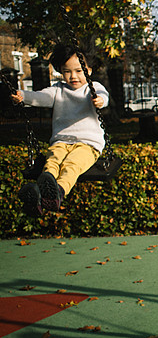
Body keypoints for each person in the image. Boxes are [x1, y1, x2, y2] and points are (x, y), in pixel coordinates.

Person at [11, 44, 109, 215]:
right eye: (67, 71)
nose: (73, 76)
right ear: (61, 72)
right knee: (52, 163)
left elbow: (104, 96)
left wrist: (99, 100)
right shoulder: (58, 89)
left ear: (89, 70)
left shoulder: (93, 87)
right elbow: (40, 97)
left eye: (79, 71)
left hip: (88, 144)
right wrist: (23, 96)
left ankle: (58, 193)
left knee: (72, 165)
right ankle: (39, 198)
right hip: (61, 141)